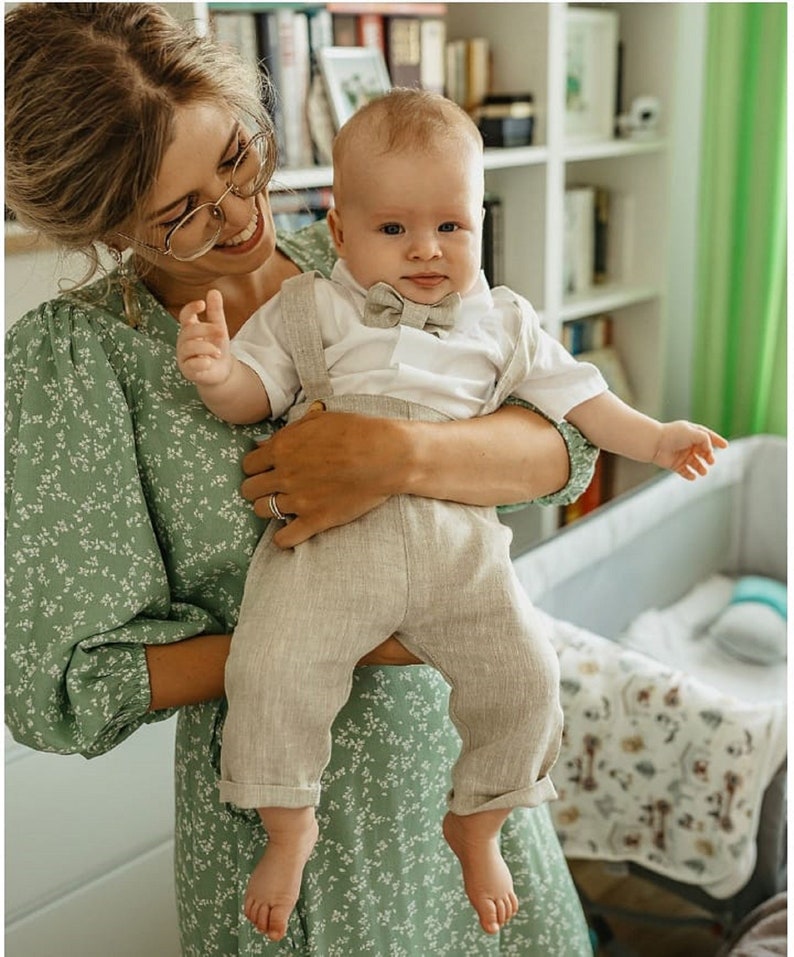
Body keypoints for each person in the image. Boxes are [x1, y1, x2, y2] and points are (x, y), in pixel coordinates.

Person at [4, 5, 601, 956]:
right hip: (292, 823)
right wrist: (359, 636)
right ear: (101, 221)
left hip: (460, 773)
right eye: (181, 212)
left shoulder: (370, 247)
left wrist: (400, 458)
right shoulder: (81, 363)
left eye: (238, 158)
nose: (240, 215)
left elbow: (566, 446)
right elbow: (62, 687)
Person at [175, 89, 727, 943]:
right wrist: (215, 371)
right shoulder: (310, 308)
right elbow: (254, 396)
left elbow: (582, 403)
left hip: (459, 548)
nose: (427, 250)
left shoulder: (502, 322)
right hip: (331, 545)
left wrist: (657, 438)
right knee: (272, 665)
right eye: (394, 230)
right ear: (342, 227)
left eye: (452, 226)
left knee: (528, 676)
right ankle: (289, 829)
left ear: (478, 220)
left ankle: (482, 819)